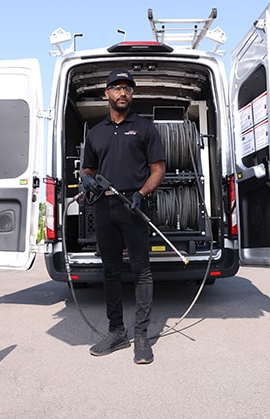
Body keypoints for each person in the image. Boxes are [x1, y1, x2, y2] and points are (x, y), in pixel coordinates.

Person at [80, 68, 165, 364]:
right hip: (104, 208)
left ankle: (141, 336)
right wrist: (88, 180)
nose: (123, 93)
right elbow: (88, 169)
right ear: (106, 94)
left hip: (135, 206)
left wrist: (140, 195)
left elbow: (158, 170)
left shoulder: (144, 128)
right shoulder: (95, 132)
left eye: (127, 88)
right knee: (111, 271)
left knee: (142, 271)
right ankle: (116, 332)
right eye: (116, 88)